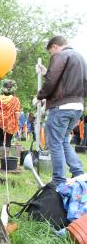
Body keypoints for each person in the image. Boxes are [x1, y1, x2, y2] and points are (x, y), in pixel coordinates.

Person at [36, 35, 87, 185]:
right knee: (64, 141)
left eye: (50, 52)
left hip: (62, 107)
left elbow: (52, 80)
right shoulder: (81, 58)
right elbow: (69, 80)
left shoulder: (60, 55)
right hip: (77, 105)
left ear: (54, 47)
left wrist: (40, 96)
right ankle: (79, 174)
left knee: (55, 143)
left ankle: (58, 180)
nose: (52, 55)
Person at [0, 79, 21, 157]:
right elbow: (17, 112)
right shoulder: (15, 100)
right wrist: (17, 122)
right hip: (10, 123)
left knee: (0, 140)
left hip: (0, 123)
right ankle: (6, 157)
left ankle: (2, 158)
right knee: (8, 140)